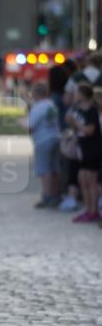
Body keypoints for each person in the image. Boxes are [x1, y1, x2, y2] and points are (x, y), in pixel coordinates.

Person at [66, 82, 102, 223]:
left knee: (91, 181)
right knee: (82, 179)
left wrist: (76, 123)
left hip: (93, 149)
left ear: (82, 95)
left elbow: (89, 130)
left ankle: (94, 210)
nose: (74, 95)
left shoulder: (92, 111)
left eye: (76, 93)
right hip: (83, 149)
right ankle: (88, 209)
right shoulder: (78, 110)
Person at [27, 81, 61, 208]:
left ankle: (47, 196)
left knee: (44, 169)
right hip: (55, 137)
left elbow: (30, 126)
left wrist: (21, 123)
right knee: (54, 168)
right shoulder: (51, 104)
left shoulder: (38, 106)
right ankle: (56, 194)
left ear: (36, 94)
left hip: (43, 140)